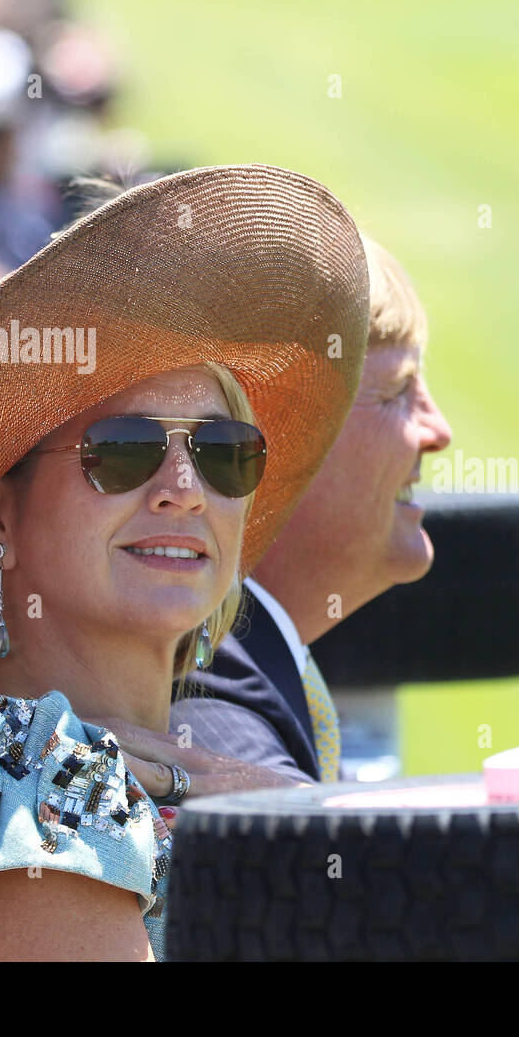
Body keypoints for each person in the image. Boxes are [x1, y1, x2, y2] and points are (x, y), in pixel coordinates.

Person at [0, 163, 370, 961]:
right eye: (123, 451)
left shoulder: (133, 773)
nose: (184, 490)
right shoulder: (21, 776)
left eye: (222, 453)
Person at [166, 237, 453, 782]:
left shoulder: (240, 674)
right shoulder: (212, 720)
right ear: (265, 442)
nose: (438, 431)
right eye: (397, 390)